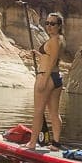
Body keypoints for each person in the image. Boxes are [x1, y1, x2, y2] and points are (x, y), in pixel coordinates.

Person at [25, 12, 65, 150]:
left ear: (59, 26)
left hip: (46, 77)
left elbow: (53, 61)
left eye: (52, 24)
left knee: (38, 111)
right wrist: (39, 54)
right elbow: (50, 57)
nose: (49, 26)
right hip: (57, 78)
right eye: (47, 23)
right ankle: (56, 144)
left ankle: (32, 143)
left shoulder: (54, 40)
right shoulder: (59, 39)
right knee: (54, 112)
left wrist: (44, 80)